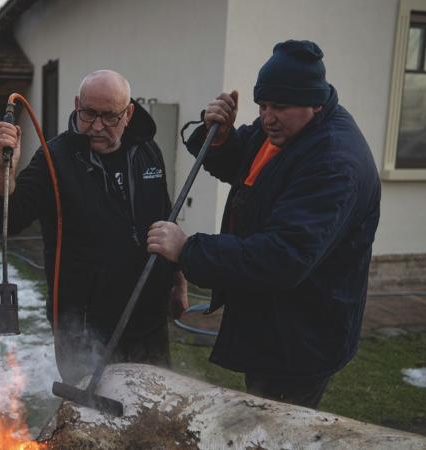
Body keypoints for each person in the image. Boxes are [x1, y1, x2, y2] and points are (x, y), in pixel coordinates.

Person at [147, 40, 381, 408]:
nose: (267, 116)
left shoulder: (335, 162)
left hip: (302, 337)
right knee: (259, 412)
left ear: (313, 102)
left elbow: (282, 257)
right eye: (262, 105)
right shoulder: (286, 129)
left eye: (279, 107)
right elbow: (243, 166)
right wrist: (221, 138)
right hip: (271, 320)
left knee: (276, 427)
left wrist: (189, 249)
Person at [0, 69, 187, 384]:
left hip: (148, 319)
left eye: (109, 117)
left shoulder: (148, 152)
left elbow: (165, 220)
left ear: (129, 113)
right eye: (89, 113)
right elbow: (4, 220)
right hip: (83, 325)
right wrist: (3, 171)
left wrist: (178, 281)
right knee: (95, 417)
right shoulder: (55, 158)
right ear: (76, 104)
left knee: (155, 412)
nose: (96, 126)